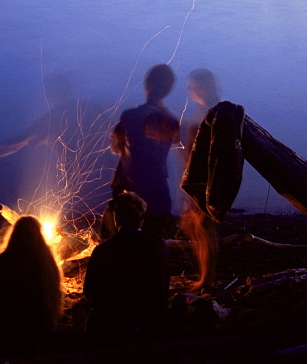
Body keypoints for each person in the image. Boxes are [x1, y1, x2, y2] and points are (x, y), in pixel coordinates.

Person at [83, 190, 169, 337]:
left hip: (111, 325)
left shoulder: (103, 250)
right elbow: (162, 286)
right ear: (141, 219)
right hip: (150, 322)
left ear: (116, 219)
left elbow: (90, 291)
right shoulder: (158, 246)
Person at [108, 63, 179, 237]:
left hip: (134, 200)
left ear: (149, 84)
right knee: (155, 249)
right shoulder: (172, 120)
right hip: (161, 197)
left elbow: (116, 148)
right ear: (168, 89)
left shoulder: (131, 116)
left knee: (126, 247)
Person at [0, 215, 63, 344]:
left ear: (13, 235)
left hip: (5, 328)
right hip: (41, 328)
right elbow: (56, 298)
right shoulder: (49, 265)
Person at [180, 68, 221, 291]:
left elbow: (210, 150)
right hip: (198, 177)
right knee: (198, 228)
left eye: (192, 85)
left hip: (204, 179)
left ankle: (206, 280)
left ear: (203, 87)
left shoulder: (211, 112)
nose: (188, 89)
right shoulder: (204, 110)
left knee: (204, 228)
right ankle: (206, 277)